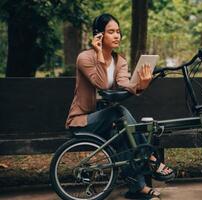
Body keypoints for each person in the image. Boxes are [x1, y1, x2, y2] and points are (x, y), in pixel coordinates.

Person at [65, 13, 174, 199]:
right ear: (99, 35)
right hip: (83, 121)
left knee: (124, 138)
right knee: (118, 111)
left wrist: (142, 84)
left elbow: (125, 85)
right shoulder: (84, 58)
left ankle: (137, 188)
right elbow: (99, 82)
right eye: (111, 32)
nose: (117, 36)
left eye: (118, 32)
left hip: (107, 120)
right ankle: (151, 158)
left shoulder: (120, 61)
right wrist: (99, 53)